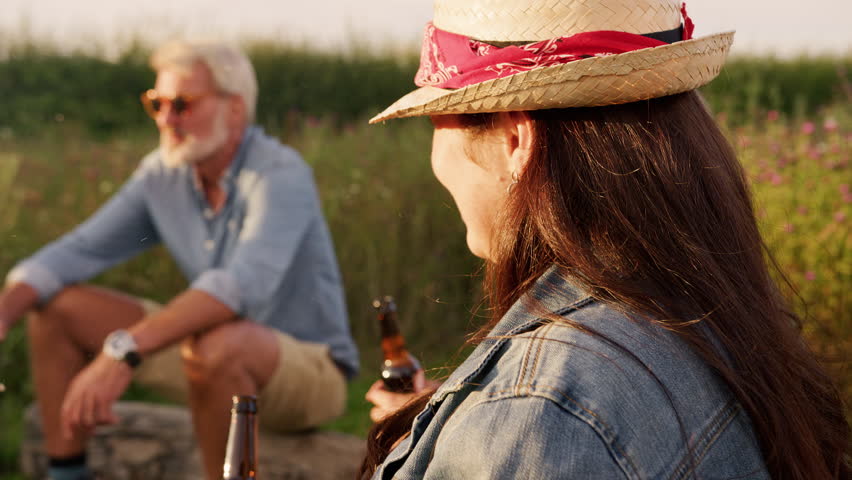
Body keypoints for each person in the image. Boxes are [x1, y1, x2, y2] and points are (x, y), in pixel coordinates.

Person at [363, 0, 850, 478]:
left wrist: (495, 425)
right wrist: (454, 430)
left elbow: (550, 427)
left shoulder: (537, 418)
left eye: (435, 121)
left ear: (515, 138)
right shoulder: (714, 315)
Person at [0, 40, 359, 480]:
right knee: (56, 310)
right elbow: (77, 252)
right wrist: (3, 314)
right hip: (212, 351)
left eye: (183, 104)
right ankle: (66, 473)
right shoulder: (162, 174)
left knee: (218, 344)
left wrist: (122, 351)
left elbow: (239, 288)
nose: (166, 119)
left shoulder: (280, 174)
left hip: (310, 371)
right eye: (157, 103)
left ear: (234, 110)